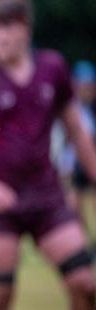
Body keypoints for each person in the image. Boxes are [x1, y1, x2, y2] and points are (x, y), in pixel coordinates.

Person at [0, 0, 96, 310]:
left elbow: (77, 132)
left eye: (7, 26)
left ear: (25, 27)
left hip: (46, 196)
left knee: (85, 282)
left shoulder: (53, 68)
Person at [59, 60, 96, 249]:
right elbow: (66, 139)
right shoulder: (69, 106)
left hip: (91, 160)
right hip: (74, 163)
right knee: (74, 203)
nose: (86, 89)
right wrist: (65, 165)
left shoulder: (92, 108)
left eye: (89, 85)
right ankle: (84, 242)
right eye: (83, 85)